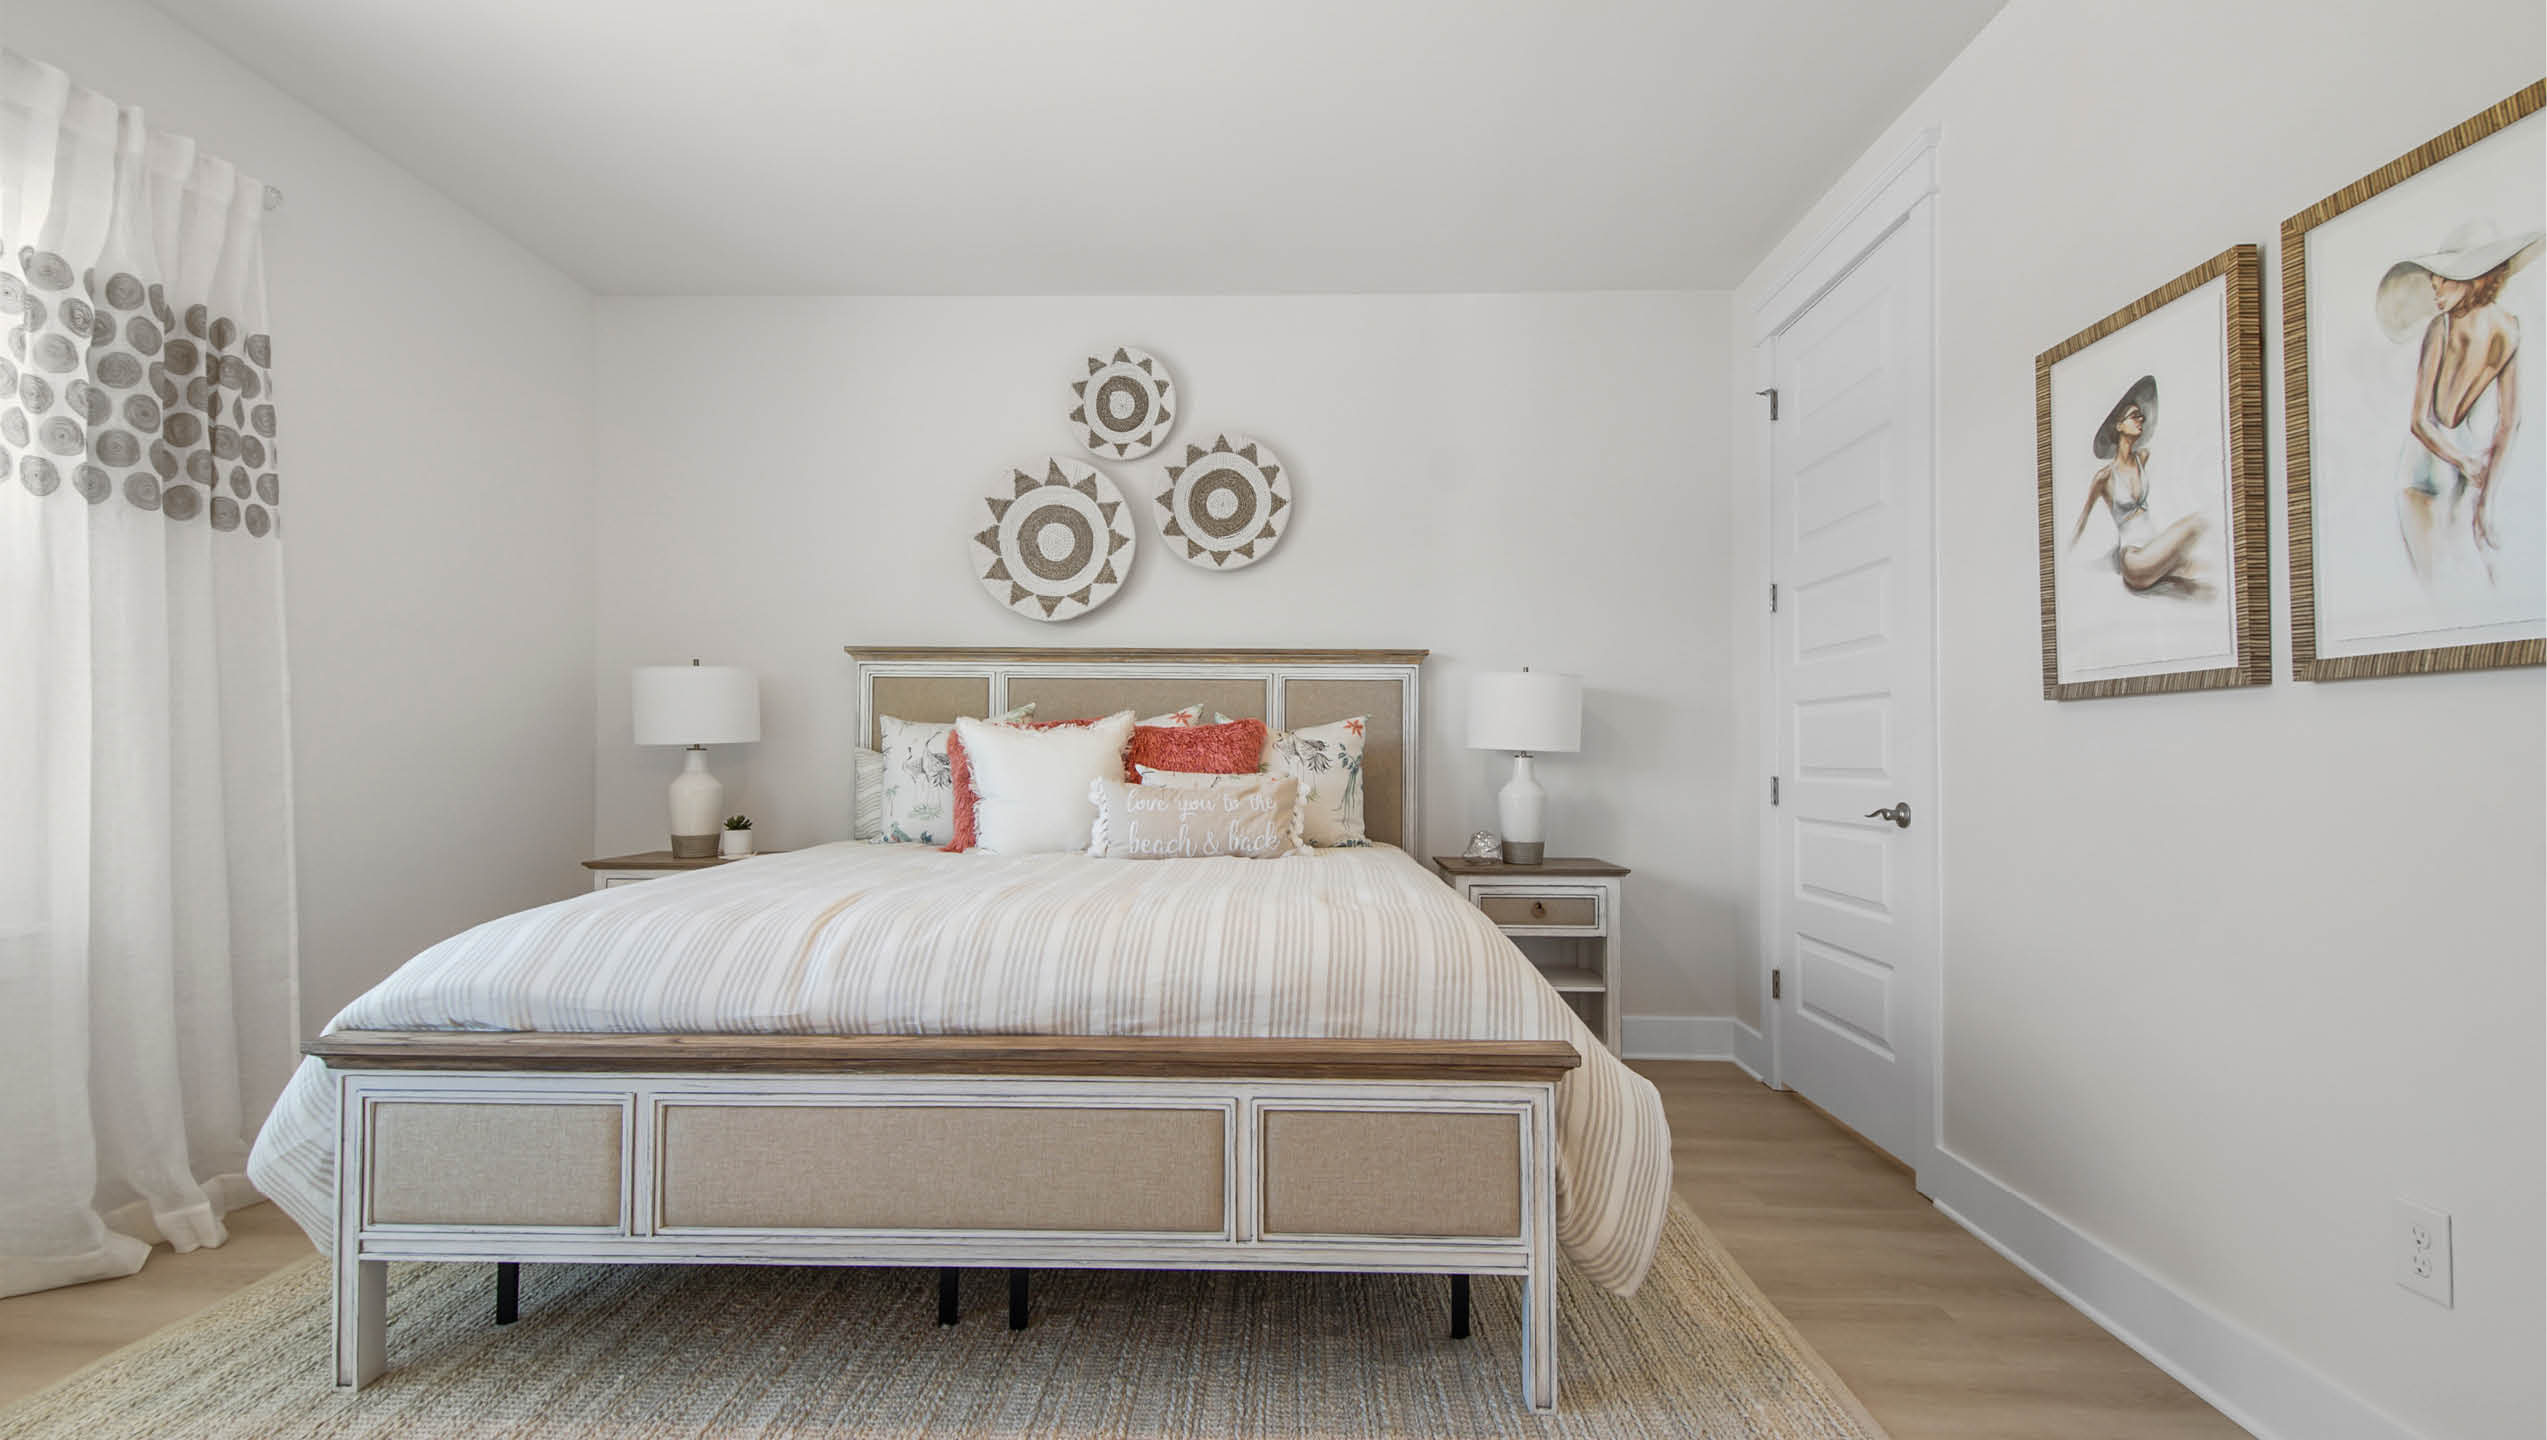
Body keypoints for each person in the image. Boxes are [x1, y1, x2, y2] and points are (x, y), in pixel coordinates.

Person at [2378, 219, 2541, 580]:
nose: (2434, 285)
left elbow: (2420, 422)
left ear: (2477, 277)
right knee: (2461, 576)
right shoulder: (2509, 329)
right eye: (2436, 276)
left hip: (2428, 463)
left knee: (2439, 581)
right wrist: (2485, 499)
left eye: (2446, 277)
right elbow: (2508, 424)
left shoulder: (2443, 327)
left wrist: (2466, 466)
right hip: (2464, 459)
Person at [2068, 374, 2206, 592]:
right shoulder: (2104, 477)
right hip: (2133, 560)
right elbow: (2082, 522)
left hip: (2153, 549)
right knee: (2198, 523)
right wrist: (2070, 562)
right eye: (2134, 416)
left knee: (2201, 569)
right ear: (2119, 426)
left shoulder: (2143, 457)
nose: (2140, 419)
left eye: (2141, 416)